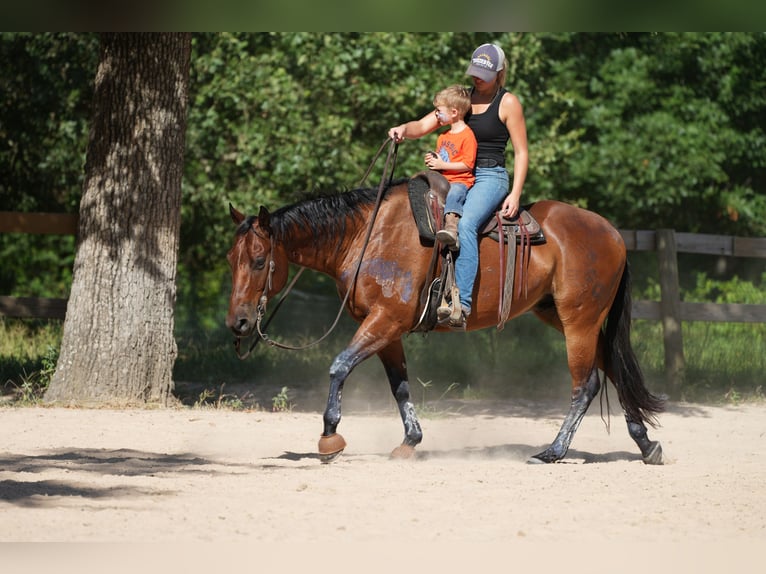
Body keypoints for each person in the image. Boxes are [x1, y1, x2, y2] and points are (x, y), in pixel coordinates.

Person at [388, 42, 529, 330]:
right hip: (455, 177)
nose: (476, 78)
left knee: (465, 226)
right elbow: (425, 124)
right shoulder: (462, 100)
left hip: (489, 177)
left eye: (484, 74)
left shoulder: (507, 102)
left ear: (499, 73)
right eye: (474, 72)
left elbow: (522, 151)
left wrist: (515, 193)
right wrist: (403, 129)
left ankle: (460, 304)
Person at [426, 84, 477, 251]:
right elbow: (443, 159)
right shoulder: (443, 137)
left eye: (439, 111)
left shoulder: (467, 136)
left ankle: (452, 230)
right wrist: (434, 161)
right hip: (443, 180)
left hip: (460, 181)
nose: (436, 115)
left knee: (455, 194)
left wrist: (442, 164)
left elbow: (467, 165)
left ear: (454, 112)